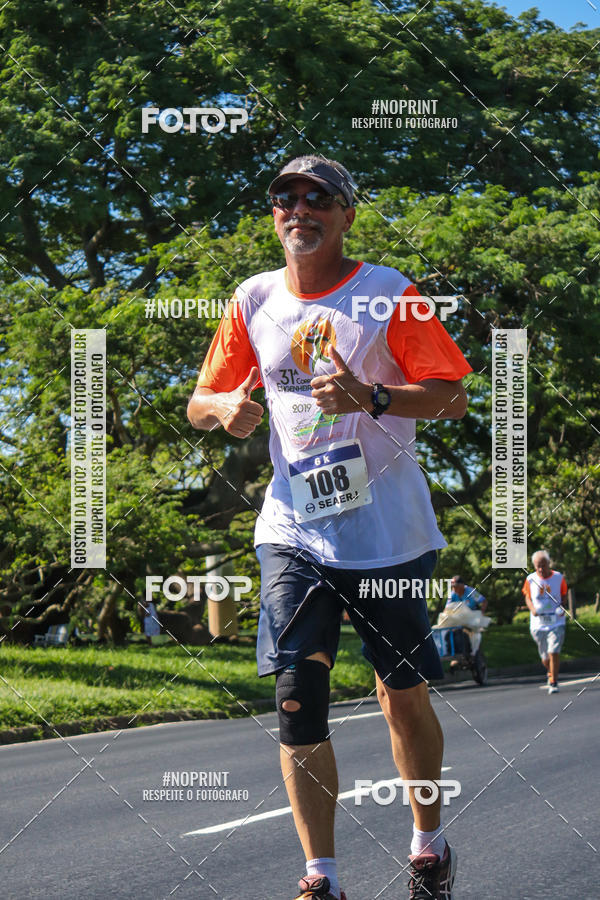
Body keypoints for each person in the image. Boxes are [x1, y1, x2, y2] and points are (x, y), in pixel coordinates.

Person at [187, 155, 472, 900]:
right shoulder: (252, 298)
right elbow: (201, 398)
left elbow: (452, 401)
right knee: (295, 694)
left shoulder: (389, 295)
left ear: (348, 215)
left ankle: (428, 843)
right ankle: (322, 876)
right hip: (293, 528)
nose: (300, 209)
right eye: (285, 197)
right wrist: (223, 410)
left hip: (387, 534)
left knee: (401, 693)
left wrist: (372, 397)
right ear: (273, 214)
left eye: (320, 198)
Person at [522, 550, 568, 693]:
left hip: (556, 622)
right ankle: (549, 671)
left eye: (543, 565)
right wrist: (532, 609)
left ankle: (553, 682)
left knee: (553, 651)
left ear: (549, 563)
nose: (541, 569)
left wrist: (562, 606)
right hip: (538, 624)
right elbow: (527, 597)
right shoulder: (530, 579)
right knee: (544, 657)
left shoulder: (559, 577)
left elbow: (564, 595)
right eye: (537, 566)